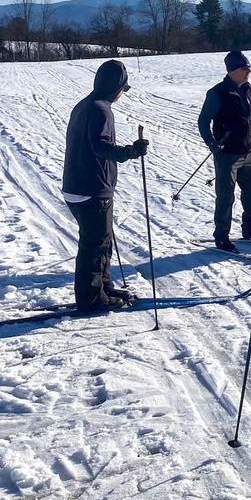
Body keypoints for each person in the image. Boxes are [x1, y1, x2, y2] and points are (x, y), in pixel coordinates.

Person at [60, 59, 149, 312]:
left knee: (103, 240)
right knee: (95, 244)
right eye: (123, 89)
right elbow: (99, 147)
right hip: (91, 188)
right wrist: (129, 152)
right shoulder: (101, 109)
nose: (122, 94)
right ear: (116, 87)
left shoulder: (85, 104)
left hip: (77, 185)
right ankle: (91, 298)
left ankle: (103, 287)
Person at [198, 50, 251, 253]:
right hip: (227, 155)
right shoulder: (217, 93)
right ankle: (221, 237)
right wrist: (211, 143)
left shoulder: (249, 89)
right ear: (232, 71)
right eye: (244, 69)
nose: (248, 72)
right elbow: (203, 121)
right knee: (226, 197)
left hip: (248, 152)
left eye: (249, 68)